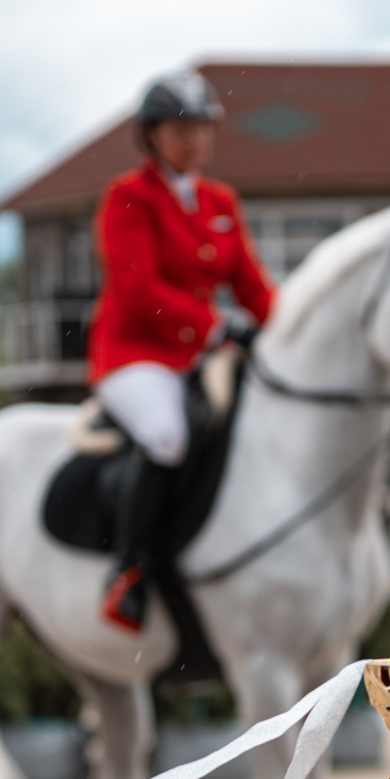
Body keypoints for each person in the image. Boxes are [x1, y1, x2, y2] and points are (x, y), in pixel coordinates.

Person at [89, 70, 276, 632]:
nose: (193, 140)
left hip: (198, 356)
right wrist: (216, 327)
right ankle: (130, 570)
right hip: (133, 356)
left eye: (201, 128)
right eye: (180, 129)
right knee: (168, 436)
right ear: (151, 136)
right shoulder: (127, 196)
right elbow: (137, 288)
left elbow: (250, 281)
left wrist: (285, 330)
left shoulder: (220, 200)